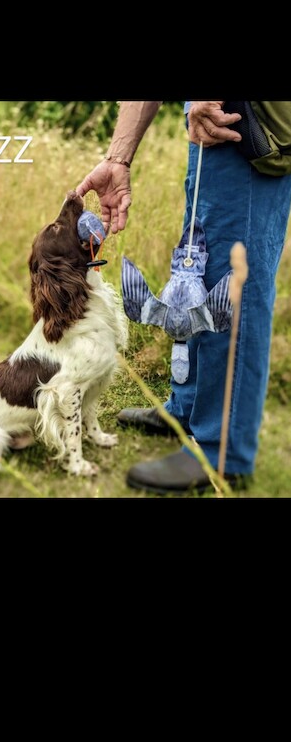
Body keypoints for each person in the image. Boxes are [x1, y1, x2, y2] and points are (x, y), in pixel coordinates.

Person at [76, 101, 291, 494]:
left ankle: (222, 451)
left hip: (246, 125)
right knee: (197, 265)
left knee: (233, 281)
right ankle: (190, 409)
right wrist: (118, 159)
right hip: (212, 126)